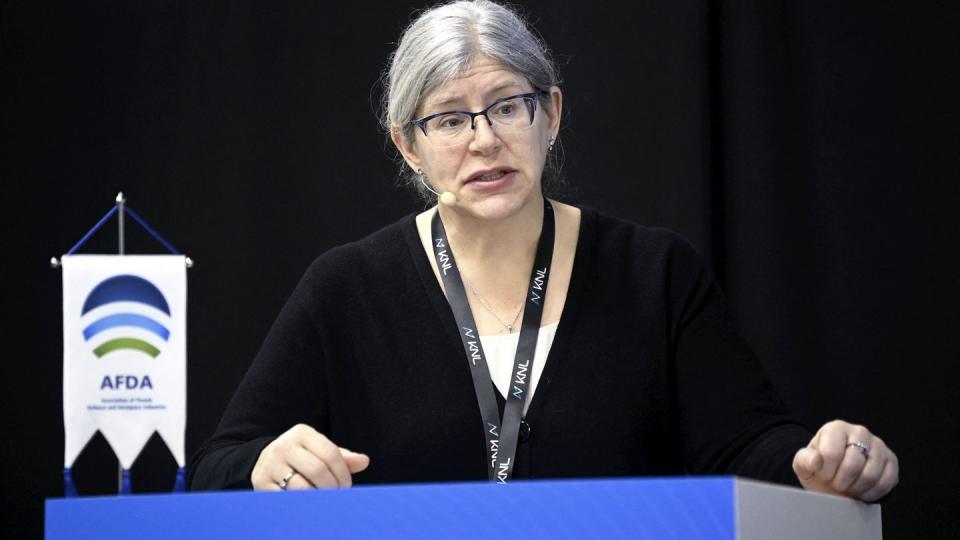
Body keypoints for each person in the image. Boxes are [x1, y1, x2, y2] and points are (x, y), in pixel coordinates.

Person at [189, 0, 898, 501]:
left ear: (549, 113)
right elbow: (218, 466)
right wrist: (264, 464)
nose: (484, 139)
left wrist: (826, 460)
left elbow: (750, 447)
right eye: (449, 119)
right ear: (409, 145)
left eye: (506, 105)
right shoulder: (344, 289)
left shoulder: (654, 274)